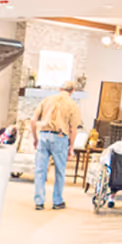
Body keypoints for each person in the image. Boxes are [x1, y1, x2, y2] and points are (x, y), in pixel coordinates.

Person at [29, 81, 82, 210]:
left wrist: (35, 138)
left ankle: (39, 201)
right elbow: (73, 129)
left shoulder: (47, 99)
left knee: (40, 170)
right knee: (59, 171)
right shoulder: (72, 105)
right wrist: (71, 146)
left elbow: (33, 120)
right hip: (60, 137)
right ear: (72, 91)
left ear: (60, 89)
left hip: (43, 135)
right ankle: (57, 201)